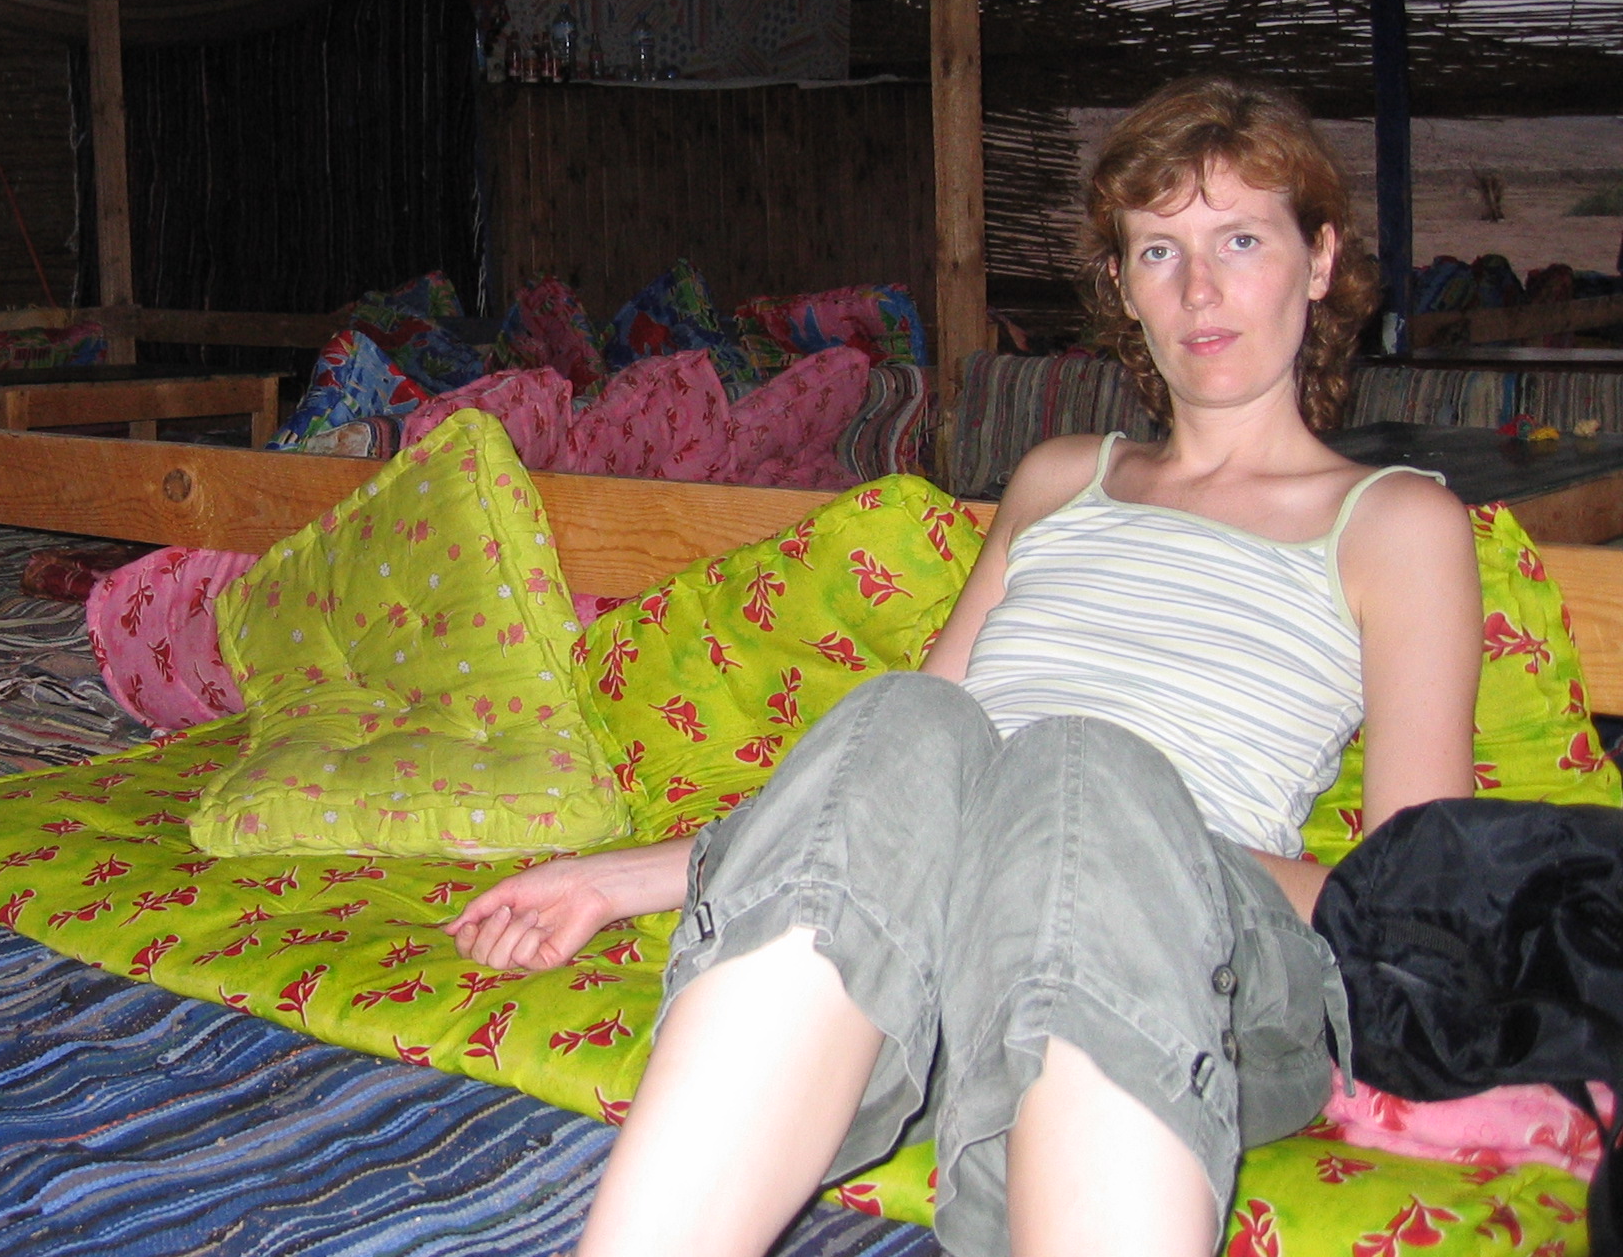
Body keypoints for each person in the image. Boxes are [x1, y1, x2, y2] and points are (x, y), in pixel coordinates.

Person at [443, 76, 1483, 1257]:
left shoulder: (1394, 522)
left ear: (1317, 259)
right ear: (1122, 287)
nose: (1198, 289)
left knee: (1076, 769)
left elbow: (1412, 904)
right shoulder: (1060, 481)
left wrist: (1101, 829)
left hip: (1195, 965)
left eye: (1239, 240)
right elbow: (888, 794)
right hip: (941, 957)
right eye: (1158, 251)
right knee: (904, 719)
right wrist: (615, 880)